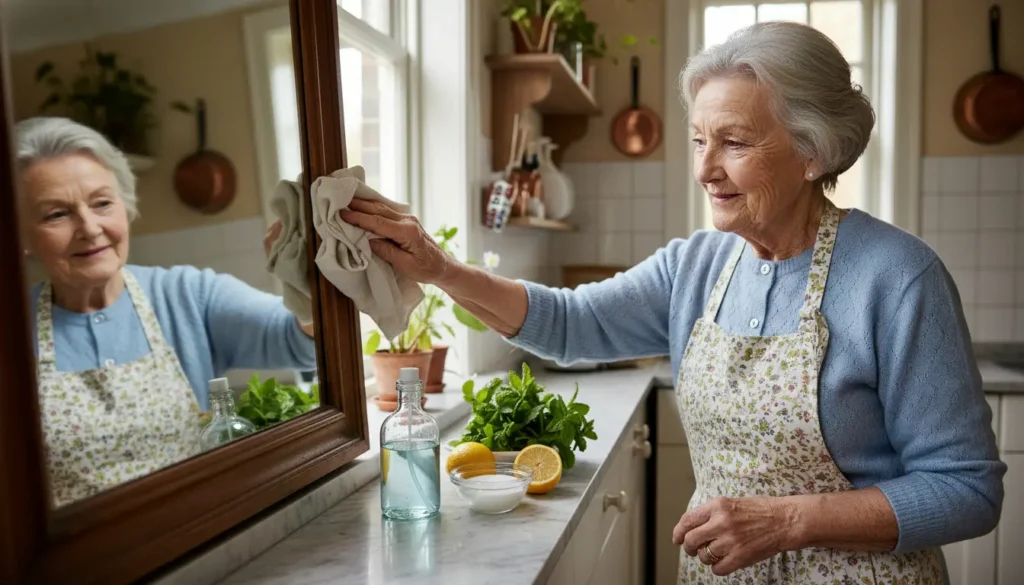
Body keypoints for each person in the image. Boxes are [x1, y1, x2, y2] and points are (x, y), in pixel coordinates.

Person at [339, 21, 1005, 585]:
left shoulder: (897, 277)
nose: (706, 167)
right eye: (699, 139)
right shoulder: (697, 265)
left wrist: (787, 520)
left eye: (735, 142)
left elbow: (967, 489)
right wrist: (437, 267)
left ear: (811, 152)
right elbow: (570, 324)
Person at [16, 116, 317, 507]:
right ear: (20, 236)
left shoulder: (187, 294)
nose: (89, 228)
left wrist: (302, 286)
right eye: (57, 214)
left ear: (124, 206)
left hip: (195, 541)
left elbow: (298, 340)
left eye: (102, 203)